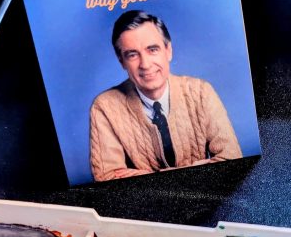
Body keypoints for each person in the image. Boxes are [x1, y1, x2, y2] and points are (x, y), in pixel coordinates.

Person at [89, 10, 242, 180]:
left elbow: (231, 160)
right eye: (132, 55)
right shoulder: (105, 107)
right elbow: (107, 177)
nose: (145, 64)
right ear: (121, 61)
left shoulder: (201, 93)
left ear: (168, 50)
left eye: (152, 49)